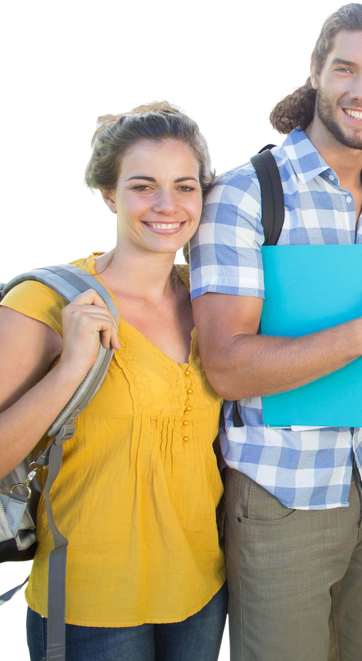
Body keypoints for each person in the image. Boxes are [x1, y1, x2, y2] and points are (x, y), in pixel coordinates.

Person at [186, 2, 362, 659]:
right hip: (281, 496)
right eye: (345, 69)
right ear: (314, 73)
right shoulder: (246, 193)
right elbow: (228, 366)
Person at [0, 97, 226, 660]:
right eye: (143, 185)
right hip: (88, 604)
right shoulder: (47, 301)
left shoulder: (212, 304)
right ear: (108, 195)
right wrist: (71, 368)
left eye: (185, 186)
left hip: (200, 592)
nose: (167, 205)